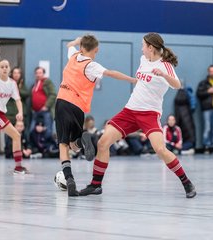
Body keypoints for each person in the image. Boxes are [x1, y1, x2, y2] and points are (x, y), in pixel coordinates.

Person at [79, 32, 196, 198]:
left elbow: (177, 85)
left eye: (143, 45)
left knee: (160, 150)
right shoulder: (143, 60)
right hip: (130, 110)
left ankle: (187, 183)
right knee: (103, 142)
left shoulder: (165, 65)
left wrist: (163, 75)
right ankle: (96, 185)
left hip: (150, 113)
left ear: (151, 47)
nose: (141, 49)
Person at [56, 35, 136, 196]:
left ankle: (69, 178)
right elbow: (111, 73)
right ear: (96, 50)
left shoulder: (73, 55)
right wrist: (132, 80)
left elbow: (69, 45)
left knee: (64, 145)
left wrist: (78, 40)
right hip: (78, 107)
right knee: (74, 145)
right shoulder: (91, 65)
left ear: (81, 47)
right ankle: (81, 141)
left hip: (62, 102)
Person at [5, 67, 29, 158]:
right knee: (9, 134)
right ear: (12, 74)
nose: (16, 74)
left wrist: (17, 90)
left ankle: (21, 151)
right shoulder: (8, 83)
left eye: (18, 73)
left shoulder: (22, 84)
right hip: (10, 113)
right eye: (14, 73)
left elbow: (27, 94)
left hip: (21, 114)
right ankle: (8, 151)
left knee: (22, 133)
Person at [30, 66, 56, 139]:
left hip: (46, 111)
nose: (38, 74)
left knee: (47, 130)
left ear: (43, 74)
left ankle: (47, 148)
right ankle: (37, 147)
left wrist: (46, 106)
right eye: (37, 73)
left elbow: (53, 94)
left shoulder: (47, 82)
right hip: (35, 111)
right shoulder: (34, 84)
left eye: (40, 73)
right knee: (33, 129)